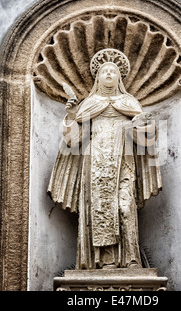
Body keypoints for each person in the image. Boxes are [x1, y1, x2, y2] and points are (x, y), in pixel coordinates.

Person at [48, 49, 161, 269]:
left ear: (120, 78)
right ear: (97, 78)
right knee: (100, 207)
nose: (109, 74)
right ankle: (103, 260)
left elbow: (145, 139)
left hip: (124, 161)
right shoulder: (89, 105)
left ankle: (131, 258)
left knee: (125, 205)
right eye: (104, 71)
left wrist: (144, 126)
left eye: (113, 71)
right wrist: (71, 116)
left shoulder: (130, 102)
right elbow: (75, 141)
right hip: (96, 163)